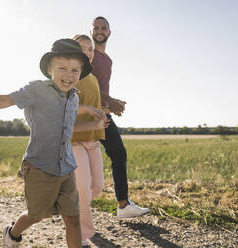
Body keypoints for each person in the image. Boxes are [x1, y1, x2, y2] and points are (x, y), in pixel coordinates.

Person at [0, 39, 108, 248]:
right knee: (36, 214)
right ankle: (12, 233)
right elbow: (5, 99)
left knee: (73, 219)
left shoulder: (73, 98)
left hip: (67, 167)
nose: (69, 75)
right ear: (50, 68)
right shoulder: (36, 90)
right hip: (40, 166)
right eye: (62, 68)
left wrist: (97, 124)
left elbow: (67, 131)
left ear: (81, 72)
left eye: (75, 70)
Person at [91, 16, 150, 218]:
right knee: (81, 161)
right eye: (96, 27)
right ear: (91, 31)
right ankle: (70, 207)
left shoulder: (107, 60)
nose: (100, 30)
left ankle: (123, 205)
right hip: (88, 114)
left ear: (109, 32)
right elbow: (89, 87)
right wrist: (110, 100)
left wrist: (111, 103)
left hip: (103, 113)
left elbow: (100, 88)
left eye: (103, 27)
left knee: (118, 153)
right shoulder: (89, 56)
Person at [71, 34, 107, 246]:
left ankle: (71, 205)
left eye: (91, 49)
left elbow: (94, 107)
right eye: (82, 48)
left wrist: (103, 115)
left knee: (97, 186)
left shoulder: (93, 79)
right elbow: (66, 111)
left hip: (93, 139)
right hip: (74, 140)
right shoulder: (71, 78)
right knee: (83, 187)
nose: (88, 52)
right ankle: (82, 234)